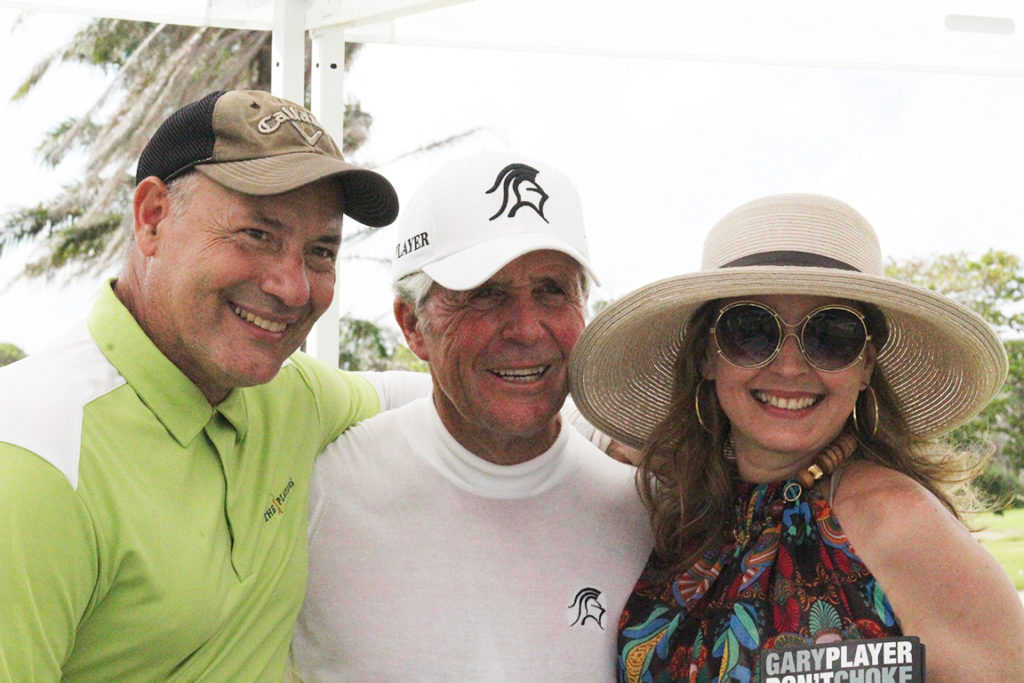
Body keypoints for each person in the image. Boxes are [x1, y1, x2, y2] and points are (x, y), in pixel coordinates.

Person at [0, 89, 416, 681]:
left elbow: (405, 395)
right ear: (153, 218)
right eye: (257, 234)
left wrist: (586, 422)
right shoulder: (32, 460)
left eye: (320, 251)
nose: (293, 288)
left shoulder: (286, 394)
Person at [568, 193, 1024, 682]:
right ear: (706, 355)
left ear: (866, 365)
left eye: (831, 334)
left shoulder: (896, 520)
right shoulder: (683, 516)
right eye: (750, 330)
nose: (788, 365)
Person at [291, 151, 654, 681]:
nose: (526, 329)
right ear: (412, 326)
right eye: (485, 294)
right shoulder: (316, 492)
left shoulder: (644, 512)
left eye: (553, 290)